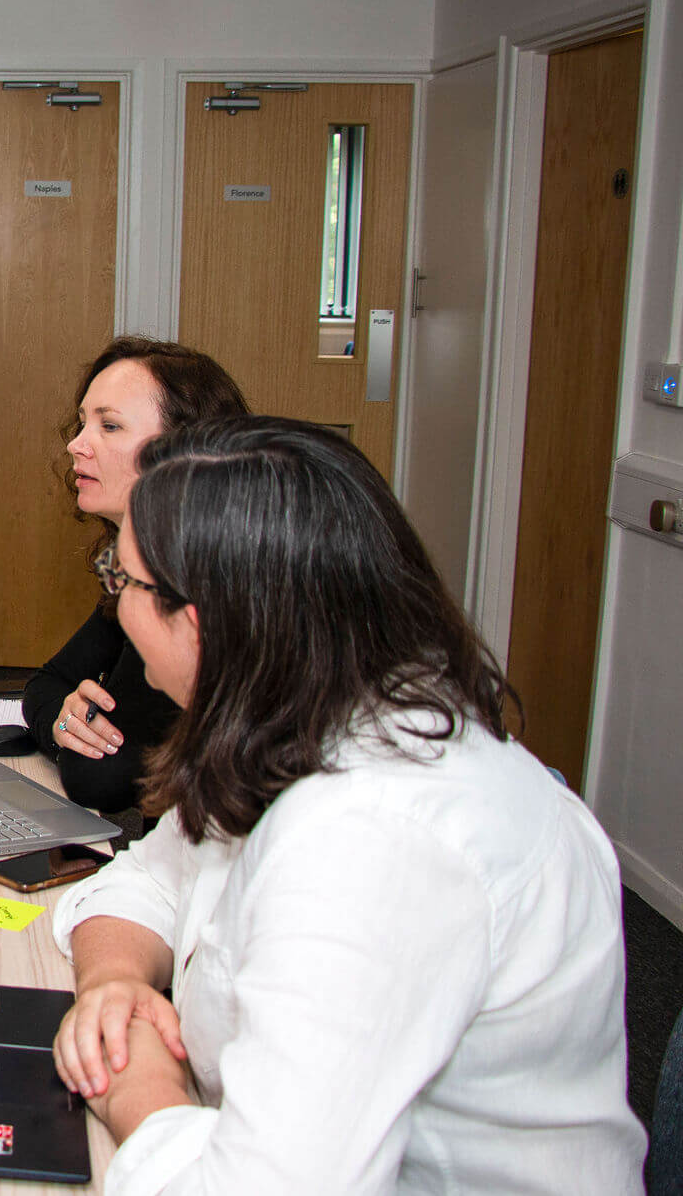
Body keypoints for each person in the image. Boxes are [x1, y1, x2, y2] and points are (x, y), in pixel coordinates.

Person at [50, 416, 644, 1193]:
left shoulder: (380, 840)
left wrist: (131, 1081)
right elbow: (150, 877)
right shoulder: (298, 715)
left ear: (199, 625)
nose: (115, 601)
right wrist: (115, 985)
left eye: (121, 580)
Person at [22, 338, 247, 812]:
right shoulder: (140, 566)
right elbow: (48, 682)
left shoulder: (201, 589)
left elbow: (98, 777)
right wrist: (65, 723)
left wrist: (69, 734)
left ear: (183, 449)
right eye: (83, 422)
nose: (76, 444)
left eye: (109, 426)